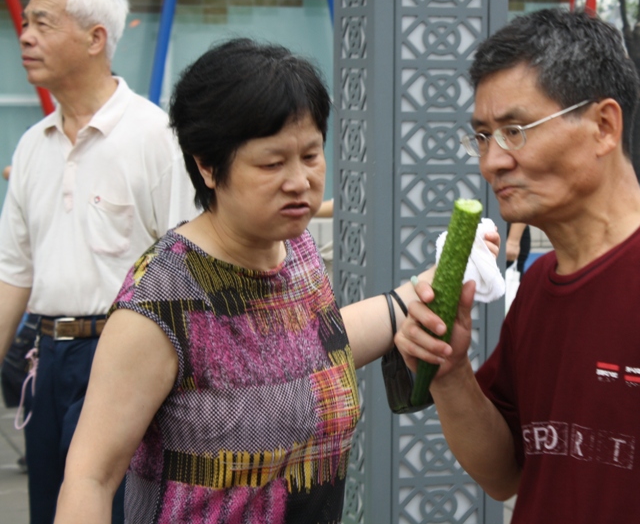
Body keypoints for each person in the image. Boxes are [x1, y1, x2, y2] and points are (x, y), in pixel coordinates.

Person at [52, 39, 500, 524]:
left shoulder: (295, 248)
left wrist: (430, 285)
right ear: (206, 165)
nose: (299, 181)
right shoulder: (161, 304)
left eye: (311, 156)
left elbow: (310, 347)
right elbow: (90, 478)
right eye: (271, 163)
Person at [396, 8, 640, 523]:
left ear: (604, 126)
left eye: (515, 130)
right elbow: (506, 476)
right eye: (481, 136)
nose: (492, 161)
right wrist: (451, 374)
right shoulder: (542, 284)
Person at [0, 0, 198, 524]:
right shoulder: (32, 145)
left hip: (124, 357)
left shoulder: (155, 137)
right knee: (50, 509)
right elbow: (12, 274)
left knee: (112, 510)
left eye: (42, 23)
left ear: (96, 38)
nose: (26, 36)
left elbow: (189, 266)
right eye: (24, 22)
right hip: (46, 358)